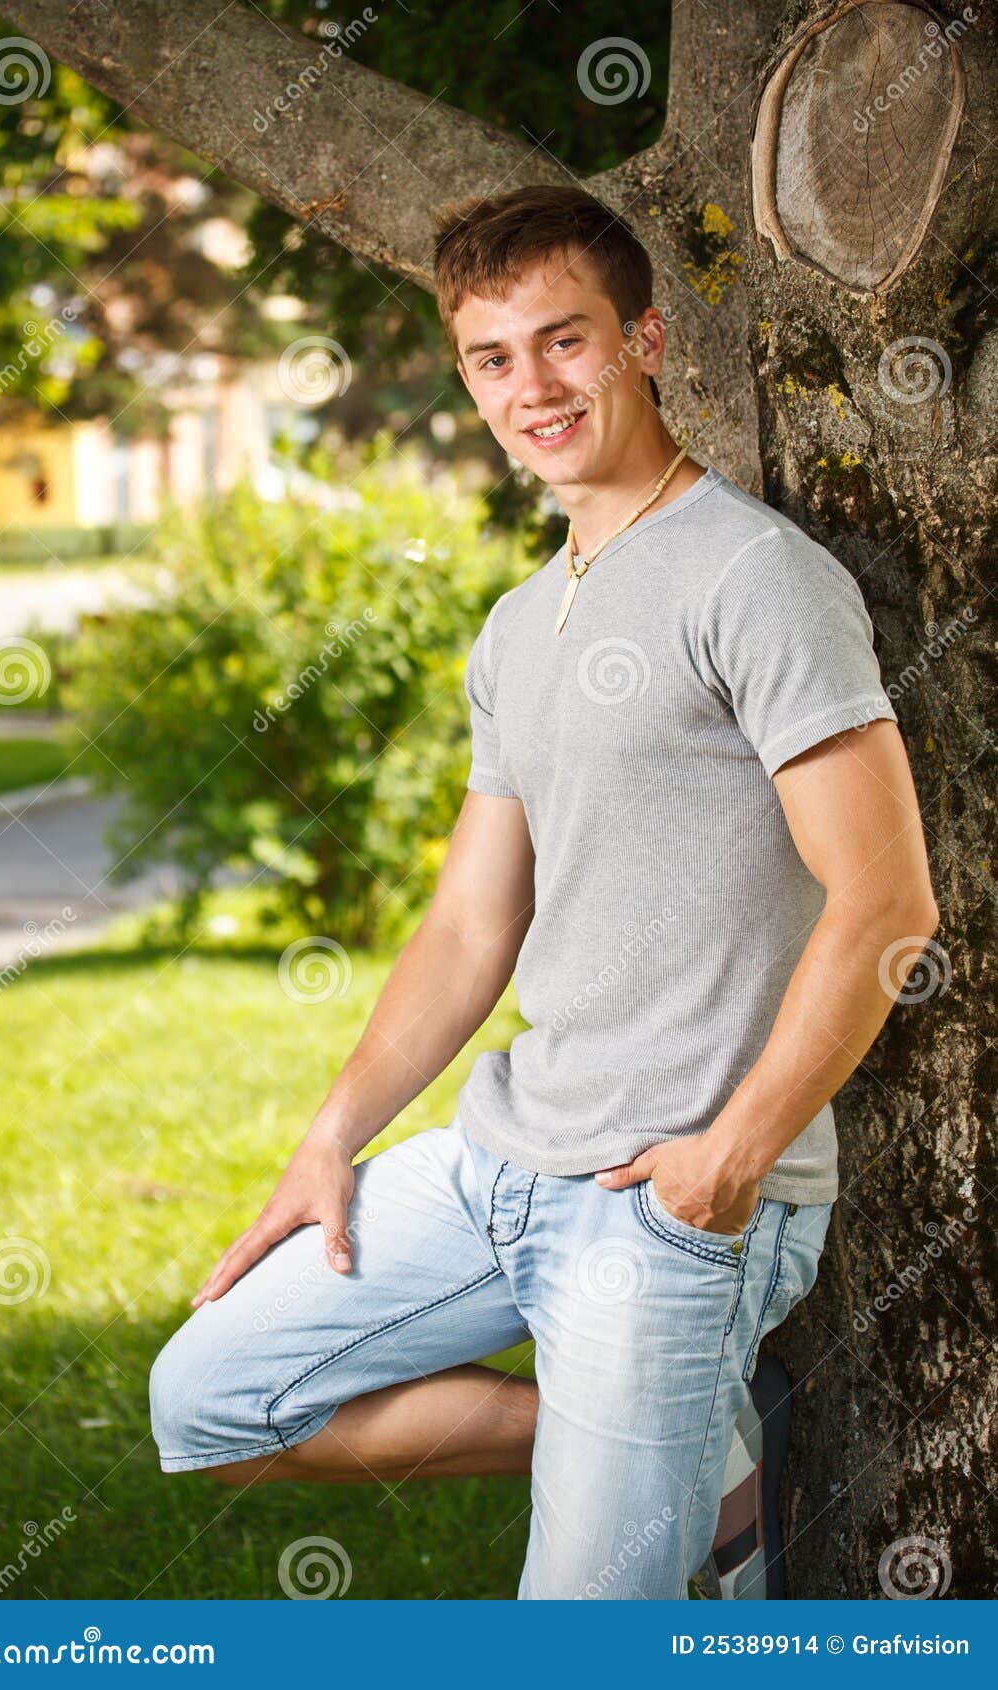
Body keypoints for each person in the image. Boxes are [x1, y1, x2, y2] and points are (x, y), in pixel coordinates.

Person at [149, 185, 940, 1599]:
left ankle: (659, 1463)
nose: (534, 387)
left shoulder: (755, 577)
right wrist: (331, 1135)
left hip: (670, 1193)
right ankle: (698, 1462)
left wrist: (731, 1157)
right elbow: (469, 925)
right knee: (204, 1398)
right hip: (500, 1163)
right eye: (493, 357)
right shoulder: (521, 625)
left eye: (564, 341)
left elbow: (886, 905)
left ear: (641, 338)